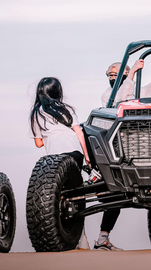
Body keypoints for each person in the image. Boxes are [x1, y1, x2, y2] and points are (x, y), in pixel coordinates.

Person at [31, 77, 121, 251]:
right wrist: (87, 157)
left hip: (54, 160)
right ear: (58, 92)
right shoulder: (65, 109)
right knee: (76, 194)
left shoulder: (36, 113)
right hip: (75, 153)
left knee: (62, 197)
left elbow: (38, 143)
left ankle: (78, 239)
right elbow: (79, 133)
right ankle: (90, 238)